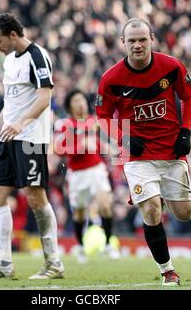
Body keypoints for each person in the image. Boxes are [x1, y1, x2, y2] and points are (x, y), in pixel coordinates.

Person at [96, 18, 191, 286]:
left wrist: (185, 131)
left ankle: (156, 193)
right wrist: (123, 138)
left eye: (142, 39)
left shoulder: (171, 66)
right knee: (151, 210)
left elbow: (188, 97)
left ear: (152, 38)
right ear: (122, 43)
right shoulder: (111, 78)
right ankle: (167, 271)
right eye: (131, 40)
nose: (137, 45)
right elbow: (103, 116)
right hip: (138, 155)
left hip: (172, 151)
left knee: (185, 213)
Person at [0, 13, 64, 279]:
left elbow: (45, 98)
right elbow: (11, 104)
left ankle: (54, 263)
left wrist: (21, 123)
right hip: (7, 138)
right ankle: (3, 264)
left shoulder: (38, 56)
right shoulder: (9, 61)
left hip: (31, 139)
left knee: (36, 198)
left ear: (13, 35)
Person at [54, 89, 120, 264]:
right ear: (70, 106)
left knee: (105, 205)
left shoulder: (93, 122)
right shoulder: (65, 124)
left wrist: (106, 146)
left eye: (82, 100)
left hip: (97, 169)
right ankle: (81, 246)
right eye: (76, 100)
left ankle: (107, 244)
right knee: (79, 213)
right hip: (77, 174)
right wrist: (80, 145)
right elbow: (59, 150)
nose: (81, 103)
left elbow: (95, 143)